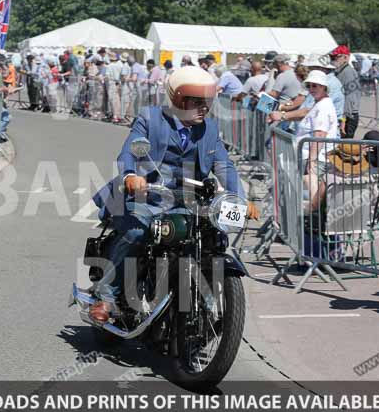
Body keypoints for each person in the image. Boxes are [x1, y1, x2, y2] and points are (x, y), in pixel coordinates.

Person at [88, 66, 259, 322]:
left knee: (212, 237)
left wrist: (240, 199)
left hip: (187, 202)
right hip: (145, 198)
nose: (205, 107)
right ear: (179, 99)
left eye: (208, 102)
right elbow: (129, 153)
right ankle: (108, 296)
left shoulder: (209, 130)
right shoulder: (151, 118)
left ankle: (191, 300)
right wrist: (131, 176)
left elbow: (224, 165)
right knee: (136, 232)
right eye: (197, 101)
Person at [293, 70, 339, 212]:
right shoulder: (320, 104)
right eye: (310, 86)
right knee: (314, 196)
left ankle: (316, 226)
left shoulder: (323, 106)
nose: (312, 89)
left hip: (316, 158)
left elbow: (319, 135)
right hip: (313, 157)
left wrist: (311, 161)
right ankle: (315, 224)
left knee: (314, 199)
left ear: (324, 87)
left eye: (316, 86)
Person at [329, 45, 360, 138]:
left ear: (345, 57)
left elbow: (349, 98)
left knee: (344, 147)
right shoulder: (340, 71)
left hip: (348, 117)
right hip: (344, 115)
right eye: (332, 57)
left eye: (336, 57)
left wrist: (343, 120)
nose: (333, 60)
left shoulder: (348, 72)